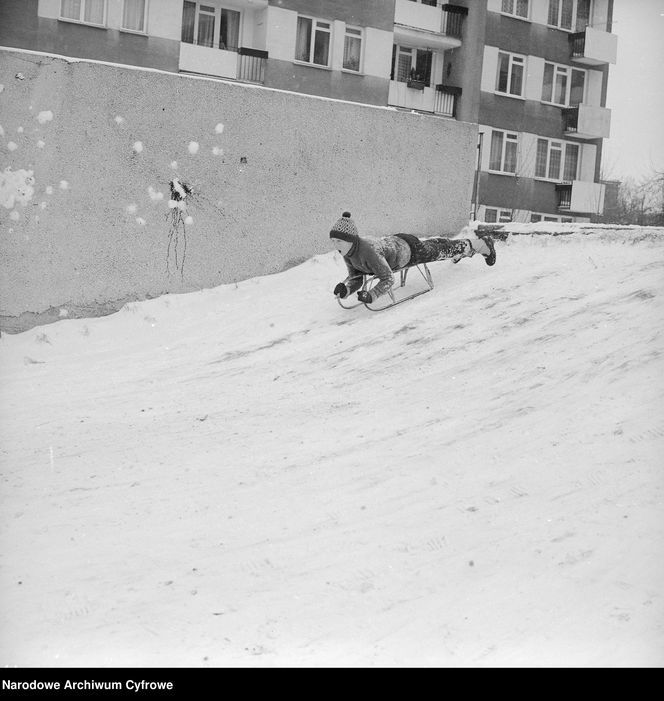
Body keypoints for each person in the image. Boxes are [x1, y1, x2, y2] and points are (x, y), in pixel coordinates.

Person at [330, 212, 496, 304]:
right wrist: (346, 290)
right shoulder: (348, 252)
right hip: (397, 243)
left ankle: (483, 245)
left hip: (410, 252)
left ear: (350, 240)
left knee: (443, 250)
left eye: (338, 241)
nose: (335, 245)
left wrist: (371, 295)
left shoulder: (369, 252)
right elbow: (357, 277)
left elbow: (387, 279)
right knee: (437, 245)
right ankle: (459, 250)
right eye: (333, 241)